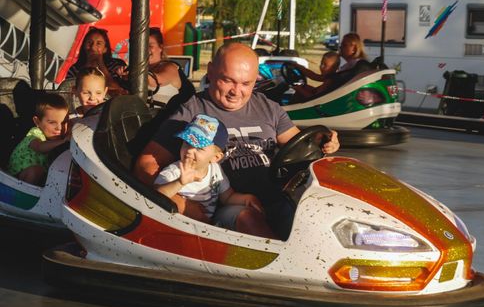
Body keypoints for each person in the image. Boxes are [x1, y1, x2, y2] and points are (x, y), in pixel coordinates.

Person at [134, 42, 340, 239]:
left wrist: (326, 142)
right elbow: (146, 165)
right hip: (223, 210)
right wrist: (181, 203)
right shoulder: (192, 113)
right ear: (212, 71)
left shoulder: (268, 108)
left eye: (246, 83)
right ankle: (281, 269)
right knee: (248, 217)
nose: (236, 91)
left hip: (275, 199)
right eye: (228, 80)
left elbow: (300, 145)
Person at [154, 114, 275, 238]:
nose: (189, 151)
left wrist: (247, 198)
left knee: (248, 216)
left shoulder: (215, 169)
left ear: (215, 157)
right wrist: (180, 182)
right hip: (177, 226)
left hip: (209, 224)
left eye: (199, 148)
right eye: (186, 143)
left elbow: (227, 197)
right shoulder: (175, 171)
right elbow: (156, 195)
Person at [7, 93, 70, 185]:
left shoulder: (59, 137)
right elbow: (39, 147)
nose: (59, 128)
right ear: (37, 121)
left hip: (40, 177)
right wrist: (63, 141)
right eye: (52, 122)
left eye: (64, 122)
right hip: (16, 178)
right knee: (36, 171)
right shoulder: (35, 133)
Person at [66, 27, 127, 96]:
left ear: (105, 49)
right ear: (84, 46)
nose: (93, 47)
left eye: (98, 43)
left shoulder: (116, 66)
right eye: (89, 42)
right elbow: (70, 92)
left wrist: (101, 64)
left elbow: (119, 90)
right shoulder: (74, 69)